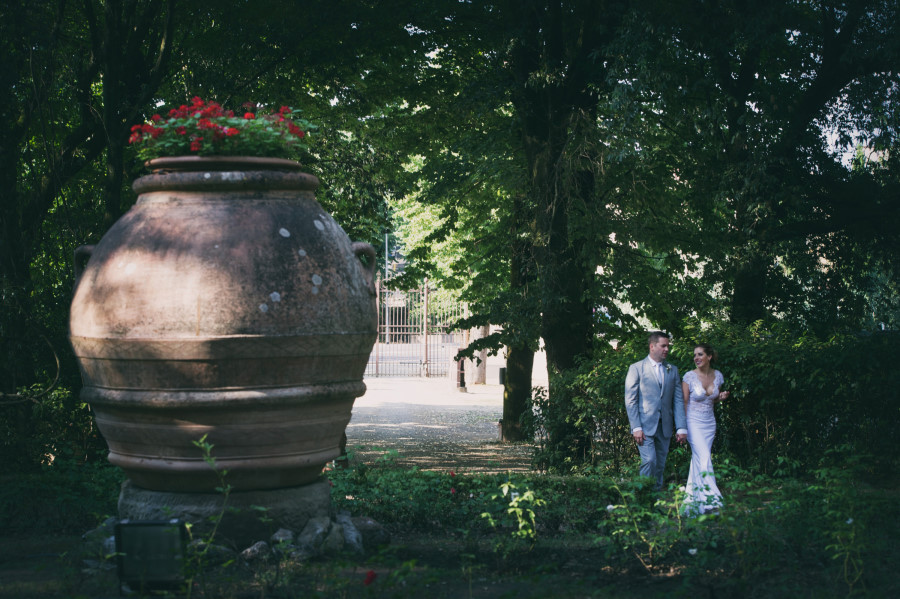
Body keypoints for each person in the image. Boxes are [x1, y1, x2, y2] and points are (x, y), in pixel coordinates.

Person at [624, 331, 688, 490]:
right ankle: (643, 497)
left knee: (660, 464)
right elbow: (630, 400)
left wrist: (681, 427)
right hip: (644, 426)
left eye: (668, 346)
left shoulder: (672, 370)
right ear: (652, 346)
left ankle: (656, 498)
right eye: (663, 346)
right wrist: (636, 427)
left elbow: (678, 400)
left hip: (665, 426)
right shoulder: (636, 368)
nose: (667, 349)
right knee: (649, 460)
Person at [681, 343, 730, 514]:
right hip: (692, 422)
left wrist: (720, 397)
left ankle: (694, 502)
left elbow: (712, 399)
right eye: (695, 355)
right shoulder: (689, 376)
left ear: (709, 357)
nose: (696, 358)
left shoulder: (718, 376)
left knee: (699, 460)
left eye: (700, 354)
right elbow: (684, 402)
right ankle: (712, 501)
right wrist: (682, 427)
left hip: (709, 423)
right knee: (704, 457)